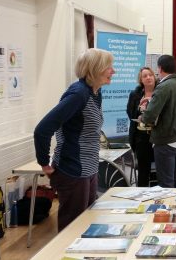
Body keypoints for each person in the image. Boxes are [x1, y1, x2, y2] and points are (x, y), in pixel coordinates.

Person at [34, 48, 115, 231]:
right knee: (72, 228)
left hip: (88, 168)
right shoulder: (79, 94)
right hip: (72, 170)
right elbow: (42, 129)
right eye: (109, 67)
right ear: (95, 68)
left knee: (87, 223)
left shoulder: (94, 92)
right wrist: (44, 163)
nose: (113, 71)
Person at [139, 55, 176, 188]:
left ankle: (167, 210)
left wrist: (142, 116)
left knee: (166, 185)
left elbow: (149, 116)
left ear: (160, 68)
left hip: (166, 140)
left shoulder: (163, 87)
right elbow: (175, 107)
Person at [127, 67, 158, 187]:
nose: (148, 77)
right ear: (141, 79)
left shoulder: (160, 91)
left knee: (159, 171)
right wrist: (140, 110)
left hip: (157, 135)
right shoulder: (135, 94)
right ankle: (142, 195)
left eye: (150, 75)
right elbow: (130, 113)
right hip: (140, 136)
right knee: (143, 171)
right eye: (145, 76)